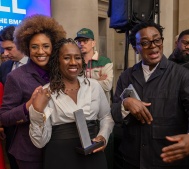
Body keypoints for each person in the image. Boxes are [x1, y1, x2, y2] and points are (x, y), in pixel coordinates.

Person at [111, 21, 189, 169]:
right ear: (135, 48)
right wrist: (125, 104)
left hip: (169, 162)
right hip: (131, 160)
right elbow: (114, 112)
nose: (153, 45)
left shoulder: (182, 75)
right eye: (145, 42)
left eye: (157, 40)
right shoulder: (126, 76)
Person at [28, 38, 114, 169]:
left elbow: (106, 117)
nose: (73, 62)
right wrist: (37, 111)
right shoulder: (46, 92)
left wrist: (103, 137)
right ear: (57, 61)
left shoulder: (94, 86)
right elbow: (39, 142)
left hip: (93, 154)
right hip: (60, 157)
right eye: (67, 58)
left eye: (78, 58)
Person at [0, 14, 66, 169]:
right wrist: (29, 105)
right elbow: (4, 117)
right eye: (34, 47)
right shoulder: (16, 76)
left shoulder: (62, 73)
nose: (40, 51)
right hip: (30, 152)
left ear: (53, 46)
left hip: (60, 147)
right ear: (27, 48)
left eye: (46, 46)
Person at [0, 25, 29, 169]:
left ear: (20, 43)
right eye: (3, 49)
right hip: (10, 131)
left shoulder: (37, 64)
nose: (5, 53)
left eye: (9, 48)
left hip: (31, 131)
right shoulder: (4, 68)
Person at [74, 28, 113, 104]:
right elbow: (72, 87)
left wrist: (82, 84)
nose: (81, 44)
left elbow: (107, 86)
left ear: (93, 43)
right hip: (82, 107)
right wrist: (97, 81)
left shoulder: (105, 61)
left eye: (85, 41)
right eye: (79, 41)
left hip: (101, 109)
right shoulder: (75, 63)